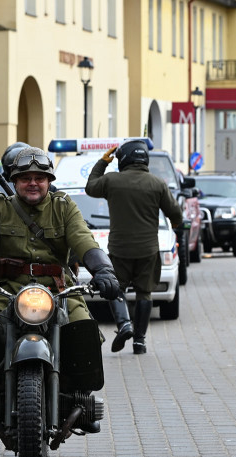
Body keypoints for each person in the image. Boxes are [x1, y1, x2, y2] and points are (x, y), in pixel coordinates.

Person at [0, 146, 121, 324]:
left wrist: (104, 271)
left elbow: (84, 239)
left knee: (84, 330)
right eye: (25, 178)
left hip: (57, 290)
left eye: (39, 178)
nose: (33, 183)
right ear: (14, 182)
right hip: (7, 290)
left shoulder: (64, 207)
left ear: (48, 181)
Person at [85, 139, 183, 354]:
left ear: (124, 159)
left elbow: (90, 187)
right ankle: (139, 341)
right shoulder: (157, 184)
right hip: (148, 249)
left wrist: (102, 162)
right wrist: (176, 223)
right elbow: (175, 214)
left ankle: (124, 325)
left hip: (119, 249)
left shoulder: (112, 181)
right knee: (144, 293)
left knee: (116, 289)